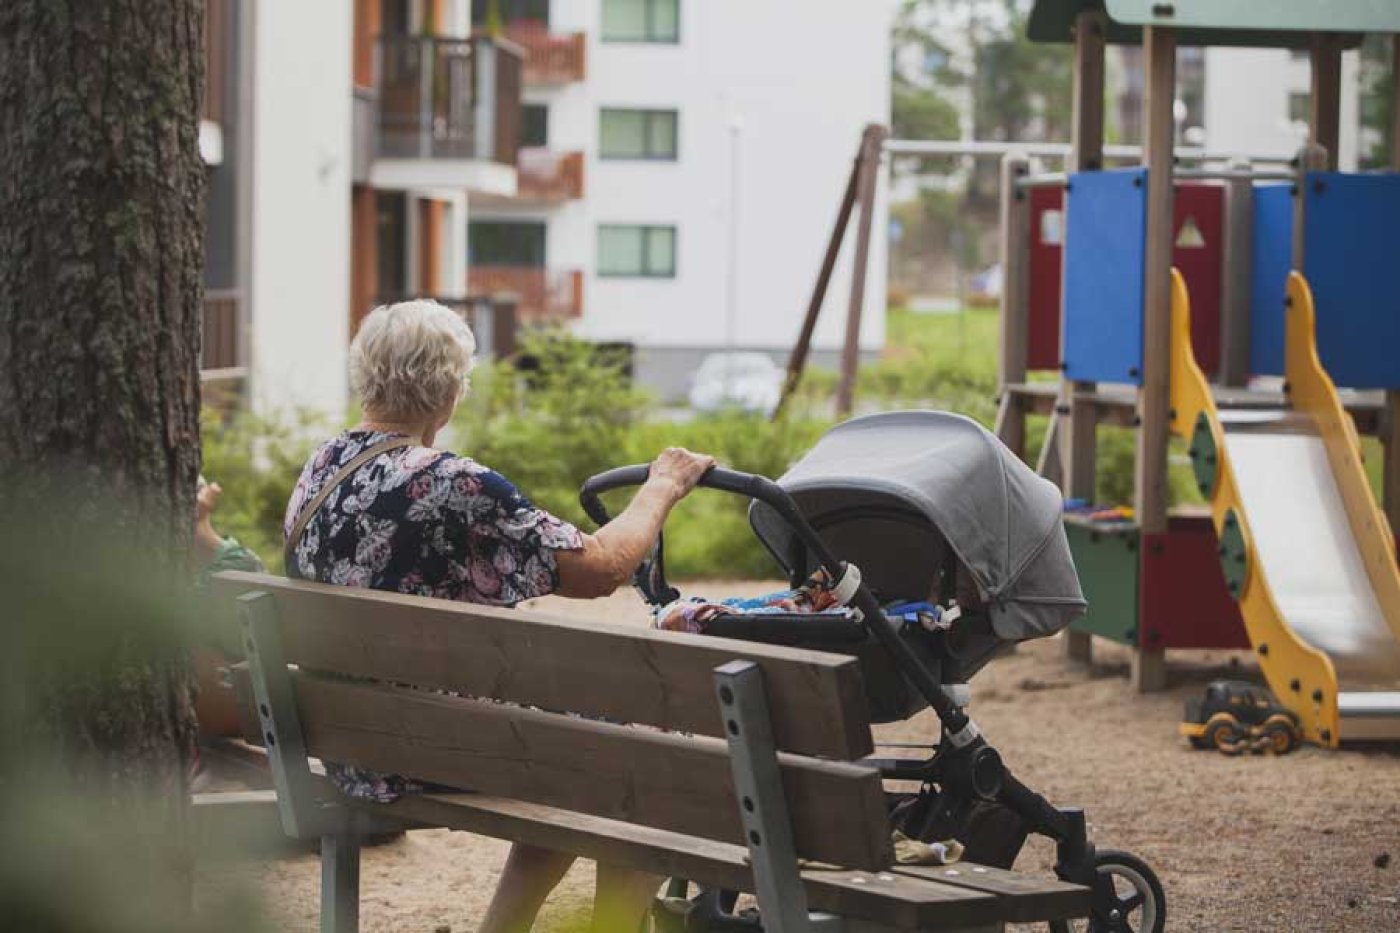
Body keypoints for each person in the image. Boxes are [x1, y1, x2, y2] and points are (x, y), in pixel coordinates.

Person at [284, 299, 714, 933]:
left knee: (583, 737)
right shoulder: (456, 484)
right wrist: (661, 487)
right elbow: (600, 570)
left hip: (354, 744)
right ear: (452, 390)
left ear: (366, 377)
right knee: (649, 746)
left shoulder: (321, 469)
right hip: (442, 748)